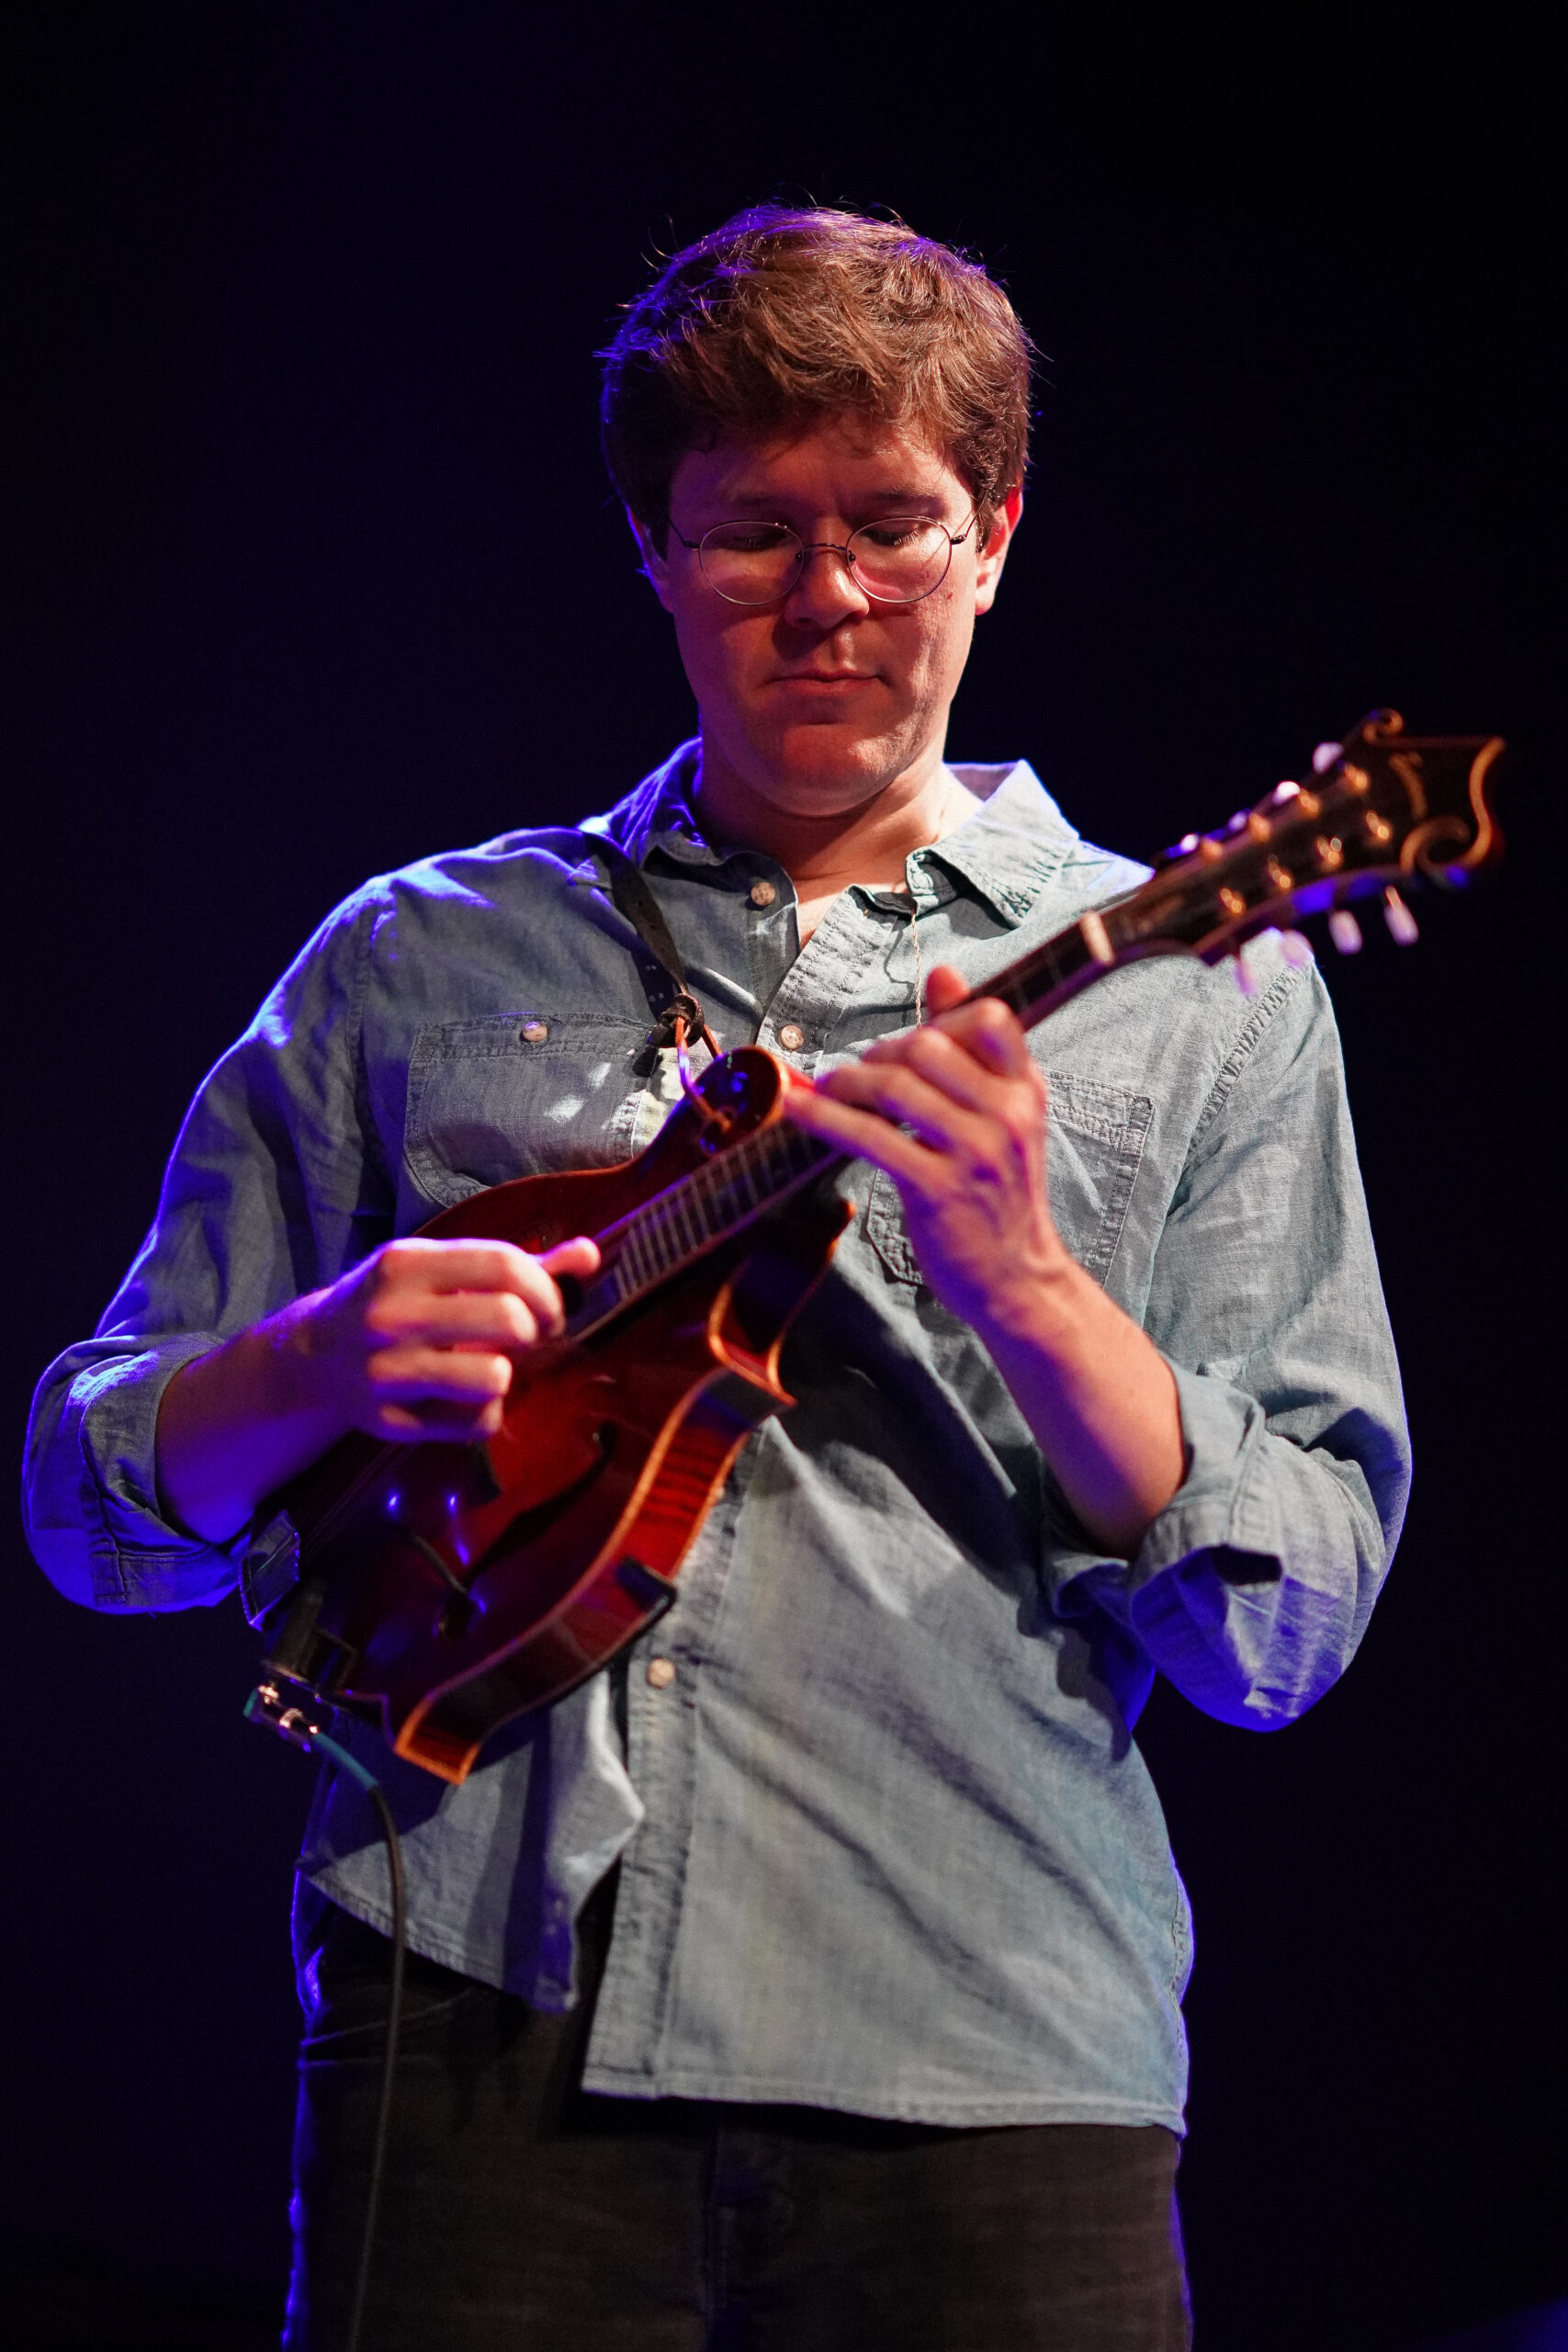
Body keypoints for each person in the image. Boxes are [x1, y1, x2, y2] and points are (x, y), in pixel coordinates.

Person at [24, 207, 1409, 2350]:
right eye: (753, 532)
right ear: (652, 558)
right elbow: (89, 1494)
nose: (829, 594)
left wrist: (1030, 1284)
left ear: (995, 535)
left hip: (997, 2053)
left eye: (892, 523)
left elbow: (1285, 1619)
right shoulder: (419, 956)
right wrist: (307, 1357)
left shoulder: (1201, 990)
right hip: (475, 2036)